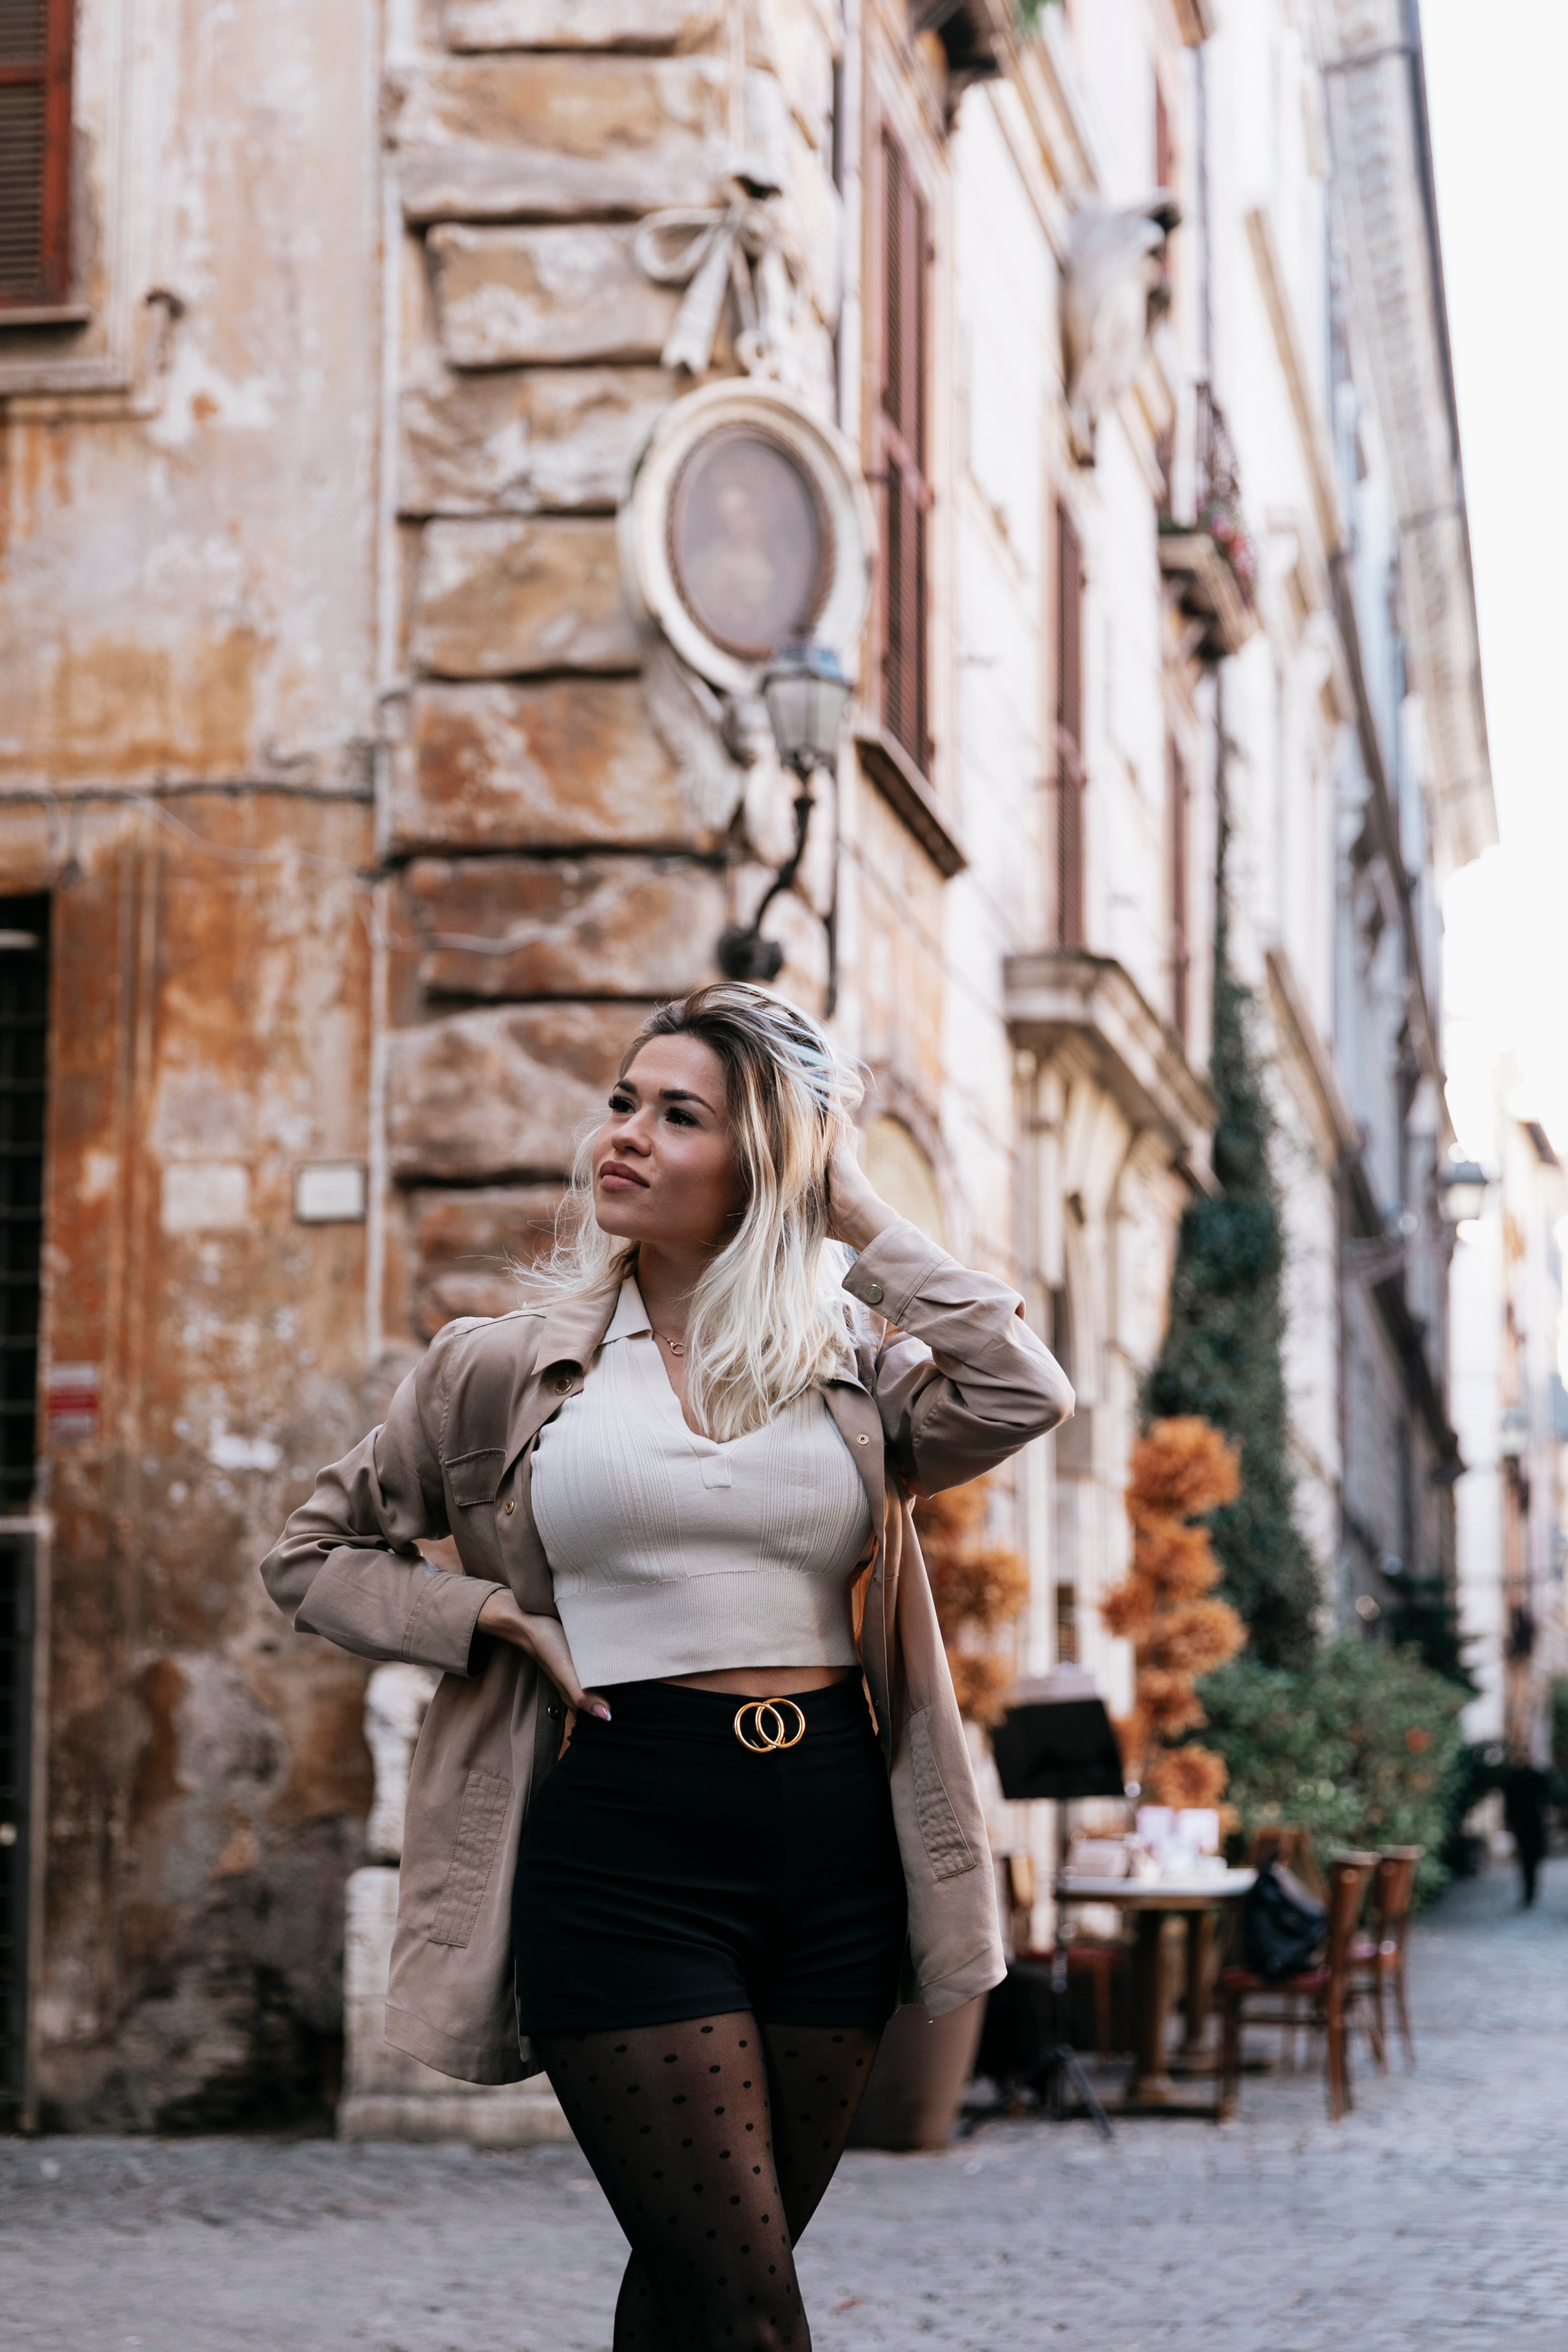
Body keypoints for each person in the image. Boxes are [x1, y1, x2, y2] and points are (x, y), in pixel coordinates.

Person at [262, 983, 1072, 2350]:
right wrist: (487, 1618)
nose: (624, 1135)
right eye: (621, 1103)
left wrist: (857, 1215)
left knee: (700, 2286)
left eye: (678, 1114)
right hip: (628, 1835)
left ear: (765, 1163)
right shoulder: (500, 1369)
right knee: (746, 2301)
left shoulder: (848, 1365)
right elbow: (311, 1554)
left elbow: (1023, 1389)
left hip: (835, 1842)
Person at [1503, 1760, 1550, 1909]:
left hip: (1533, 1822)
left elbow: (1546, 1797)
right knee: (1527, 1858)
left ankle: (1530, 1890)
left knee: (1531, 1858)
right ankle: (1529, 1891)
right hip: (1524, 1824)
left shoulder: (1536, 1776)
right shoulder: (1515, 1778)